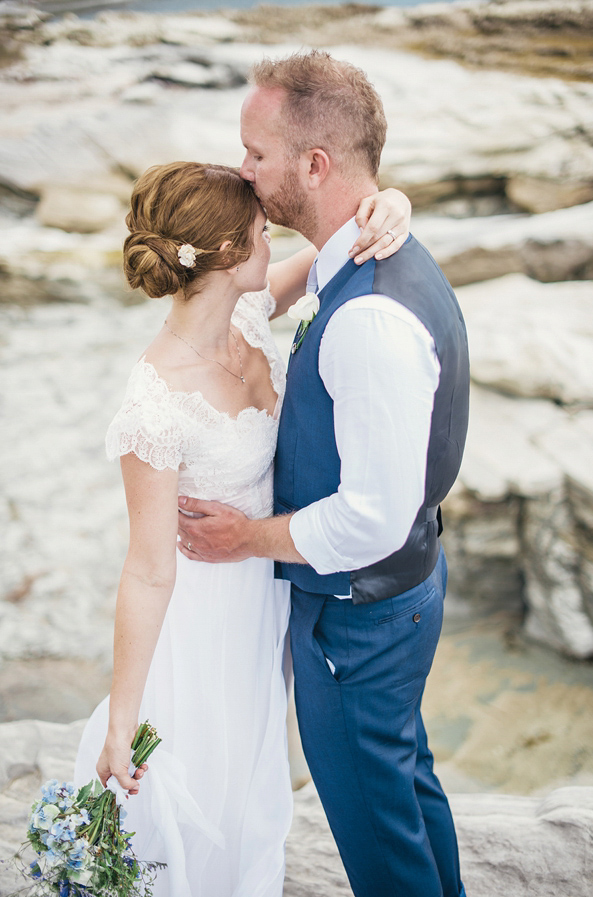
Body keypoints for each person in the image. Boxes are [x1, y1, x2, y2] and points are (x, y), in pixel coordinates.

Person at [176, 50, 470, 897]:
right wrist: (392, 197)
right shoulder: (361, 259)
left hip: (358, 620)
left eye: (256, 153)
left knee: (382, 846)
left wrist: (243, 539)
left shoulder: (371, 318)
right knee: (405, 788)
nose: (244, 170)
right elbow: (259, 297)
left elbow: (370, 518)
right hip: (397, 597)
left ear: (315, 164)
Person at [74, 160, 410, 896]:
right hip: (199, 624)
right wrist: (122, 716)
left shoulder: (248, 315)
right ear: (227, 255)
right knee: (203, 794)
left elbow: (346, 242)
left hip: (264, 600)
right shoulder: (154, 404)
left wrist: (393, 202)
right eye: (263, 232)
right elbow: (147, 567)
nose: (275, 239)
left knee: (253, 782)